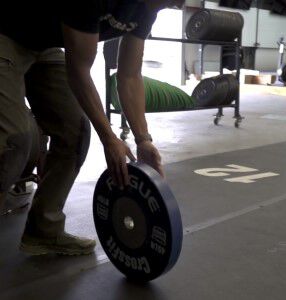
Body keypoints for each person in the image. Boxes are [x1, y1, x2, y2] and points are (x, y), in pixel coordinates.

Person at [0, 0, 185, 256]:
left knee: (76, 130)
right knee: (12, 139)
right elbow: (79, 70)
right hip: (6, 32)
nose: (171, 6)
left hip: (44, 44)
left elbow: (130, 75)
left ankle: (43, 231)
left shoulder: (148, 8)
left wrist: (143, 139)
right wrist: (109, 137)